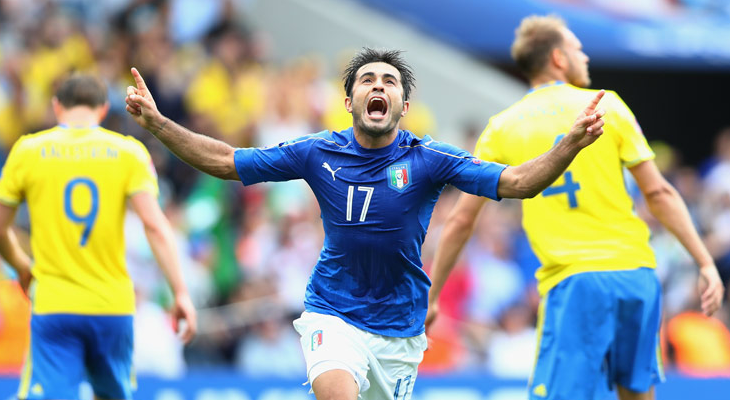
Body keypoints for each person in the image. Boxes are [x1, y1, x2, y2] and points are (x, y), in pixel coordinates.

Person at [125, 47, 606, 400]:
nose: (379, 85)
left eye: (390, 81)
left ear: (404, 107)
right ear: (350, 102)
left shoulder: (429, 157)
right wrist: (159, 123)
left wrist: (570, 145)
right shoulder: (317, 150)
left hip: (399, 327)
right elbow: (228, 161)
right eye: (368, 80)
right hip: (332, 310)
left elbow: (518, 181)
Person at [425, 15, 725, 400]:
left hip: (576, 282)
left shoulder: (502, 127)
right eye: (577, 49)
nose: (584, 56)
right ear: (557, 57)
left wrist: (433, 298)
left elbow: (461, 220)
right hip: (635, 275)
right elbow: (660, 194)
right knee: (636, 394)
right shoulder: (608, 106)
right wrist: (704, 262)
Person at [0, 74, 197, 400]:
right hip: (112, 306)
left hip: (54, 303)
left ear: (56, 107)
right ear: (103, 109)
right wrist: (180, 292)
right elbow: (155, 225)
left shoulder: (28, 151)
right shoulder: (127, 152)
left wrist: (21, 265)